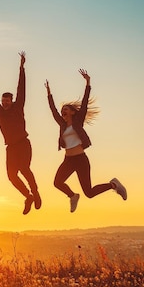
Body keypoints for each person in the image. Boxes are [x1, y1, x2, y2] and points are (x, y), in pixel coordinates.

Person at [45, 68, 127, 213]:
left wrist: (88, 83)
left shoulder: (78, 121)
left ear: (72, 112)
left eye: (66, 109)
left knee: (89, 192)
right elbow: (52, 110)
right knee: (57, 183)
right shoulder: (62, 125)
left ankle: (113, 185)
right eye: (62, 110)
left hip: (81, 160)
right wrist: (49, 93)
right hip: (68, 160)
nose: (62, 111)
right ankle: (73, 196)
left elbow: (84, 104)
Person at [0, 51, 41, 215]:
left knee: (24, 169)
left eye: (7, 100)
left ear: (11, 101)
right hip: (11, 148)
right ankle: (28, 196)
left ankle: (35, 192)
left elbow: (21, 89)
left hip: (23, 143)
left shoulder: (18, 106)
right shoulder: (0, 111)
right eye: (3, 101)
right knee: (11, 176)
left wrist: (22, 67)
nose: (4, 102)